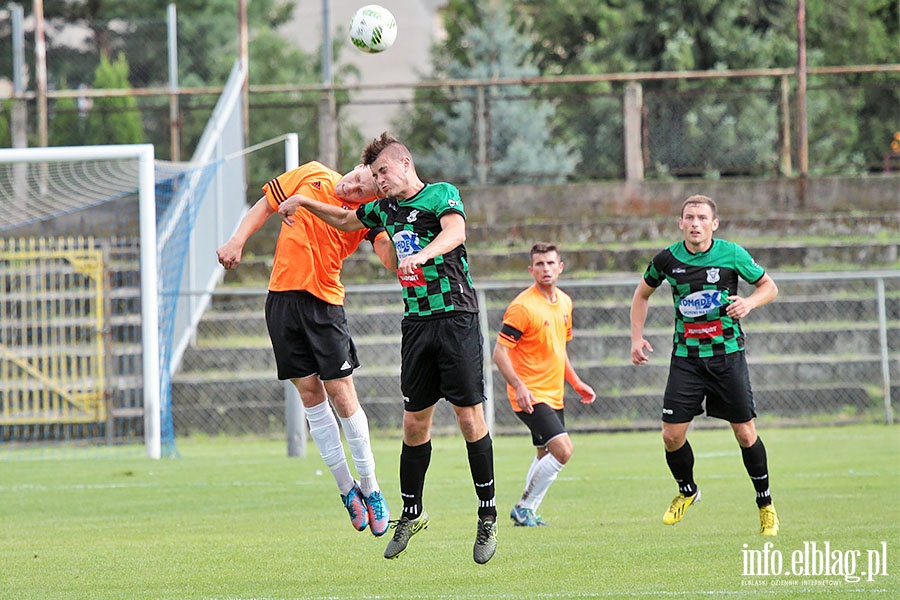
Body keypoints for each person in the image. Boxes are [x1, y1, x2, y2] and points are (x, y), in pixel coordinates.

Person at [287, 132, 498, 565]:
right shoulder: (383, 210)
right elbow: (347, 221)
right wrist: (306, 203)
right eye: (374, 175)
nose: (379, 181)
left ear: (404, 164)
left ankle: (487, 514)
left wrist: (422, 256)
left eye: (383, 171)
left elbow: (456, 231)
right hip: (416, 324)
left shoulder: (441, 194)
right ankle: (412, 513)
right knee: (414, 423)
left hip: (456, 317)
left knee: (468, 416)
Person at [216, 160, 395, 537]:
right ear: (361, 166)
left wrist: (398, 254)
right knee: (311, 395)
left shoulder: (364, 216)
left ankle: (371, 486)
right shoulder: (311, 173)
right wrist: (237, 240)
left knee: (342, 394)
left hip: (325, 304)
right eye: (357, 181)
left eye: (364, 192)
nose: (353, 190)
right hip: (281, 301)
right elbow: (265, 205)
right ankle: (347, 489)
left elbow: (384, 249)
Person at [629, 194, 780, 536]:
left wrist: (750, 303)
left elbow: (769, 287)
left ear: (714, 224)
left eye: (702, 218)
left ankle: (765, 504)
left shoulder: (732, 254)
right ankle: (687, 491)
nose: (695, 223)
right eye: (689, 217)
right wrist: (636, 338)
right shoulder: (667, 259)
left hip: (727, 357)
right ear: (681, 223)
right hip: (686, 359)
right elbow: (642, 294)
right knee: (671, 435)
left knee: (744, 433)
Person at [492, 242, 596, 527]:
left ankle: (528, 512)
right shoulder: (522, 307)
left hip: (554, 393)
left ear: (560, 267)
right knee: (563, 450)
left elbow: (559, 349)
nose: (546, 269)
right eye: (539, 264)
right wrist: (519, 386)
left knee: (545, 453)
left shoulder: (565, 302)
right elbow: (499, 353)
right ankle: (524, 506)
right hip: (528, 394)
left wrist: (575, 383)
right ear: (531, 269)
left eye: (551, 263)